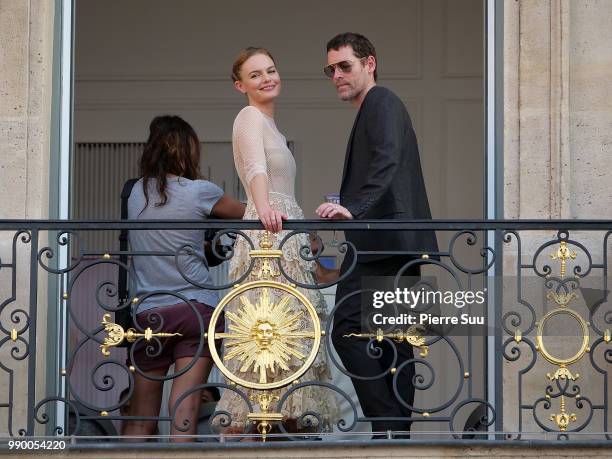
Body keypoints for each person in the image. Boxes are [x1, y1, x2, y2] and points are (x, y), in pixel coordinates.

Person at [316, 33, 438, 435]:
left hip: (384, 243)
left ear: (370, 63)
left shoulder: (381, 100)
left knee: (348, 332)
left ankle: (388, 427)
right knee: (395, 341)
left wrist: (355, 208)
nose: (337, 75)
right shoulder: (374, 106)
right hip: (391, 243)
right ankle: (395, 434)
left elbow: (386, 161)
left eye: (344, 66)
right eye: (330, 69)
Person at [214, 47, 337, 434]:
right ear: (240, 85)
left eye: (270, 70)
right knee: (267, 330)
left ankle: (289, 418)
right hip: (269, 230)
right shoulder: (249, 116)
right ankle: (260, 419)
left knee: (293, 329)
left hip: (286, 229)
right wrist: (266, 210)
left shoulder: (273, 127)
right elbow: (256, 168)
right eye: (255, 75)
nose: (267, 78)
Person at [121, 115, 245, 442]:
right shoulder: (200, 192)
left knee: (139, 420)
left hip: (150, 314)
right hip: (195, 311)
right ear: (188, 151)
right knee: (184, 415)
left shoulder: (134, 193)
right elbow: (250, 212)